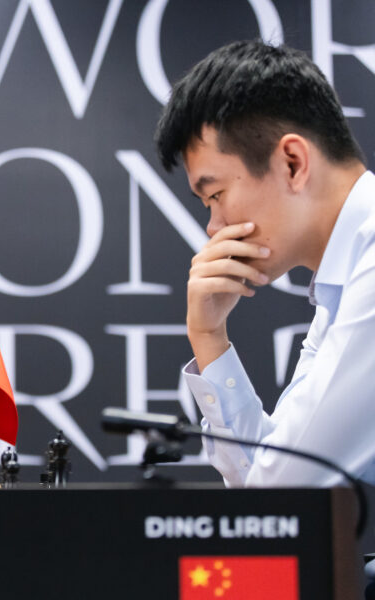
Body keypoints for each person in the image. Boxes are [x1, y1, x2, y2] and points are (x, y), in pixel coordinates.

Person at [155, 40, 373, 487]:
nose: (214, 227)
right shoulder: (343, 280)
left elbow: (282, 493)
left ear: (293, 162)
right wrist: (209, 337)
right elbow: (270, 488)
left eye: (216, 195)